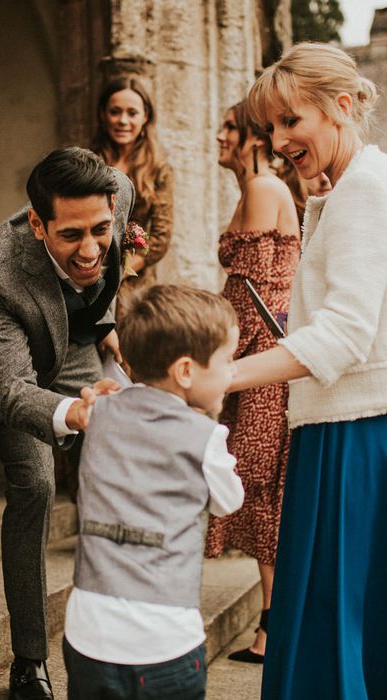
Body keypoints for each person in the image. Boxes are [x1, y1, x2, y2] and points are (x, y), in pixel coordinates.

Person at [0, 147, 134, 700]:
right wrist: (72, 411)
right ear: (36, 223)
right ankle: (29, 662)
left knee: (119, 471)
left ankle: (123, 633)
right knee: (35, 487)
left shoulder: (117, 195)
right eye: (71, 235)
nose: (92, 247)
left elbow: (108, 265)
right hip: (13, 365)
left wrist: (105, 324)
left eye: (101, 230)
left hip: (74, 344)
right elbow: (9, 388)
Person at [237, 42, 387, 698]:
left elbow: (346, 334)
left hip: (351, 434)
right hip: (342, 427)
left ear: (342, 108)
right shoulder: (346, 190)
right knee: (347, 624)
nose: (278, 140)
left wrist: (220, 378)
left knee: (328, 625)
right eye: (271, 127)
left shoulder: (363, 191)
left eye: (291, 121)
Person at [63, 284, 245, 700]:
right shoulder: (205, 438)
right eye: (227, 360)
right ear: (185, 371)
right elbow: (229, 500)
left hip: (88, 634)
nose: (233, 372)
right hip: (163, 644)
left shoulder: (97, 411)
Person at [205, 99, 300, 664]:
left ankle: (274, 629)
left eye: (229, 128)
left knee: (262, 488)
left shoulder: (265, 187)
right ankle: (274, 623)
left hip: (263, 352)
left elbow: (256, 291)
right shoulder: (253, 189)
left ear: (254, 138)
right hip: (248, 349)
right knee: (259, 489)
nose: (219, 136)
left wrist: (220, 364)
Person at [91, 76, 174, 322]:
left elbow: (160, 236)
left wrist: (119, 274)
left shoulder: (158, 168)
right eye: (115, 112)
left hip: (134, 282)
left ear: (145, 117)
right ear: (103, 115)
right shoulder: (90, 162)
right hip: (88, 272)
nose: (123, 121)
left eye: (132, 113)